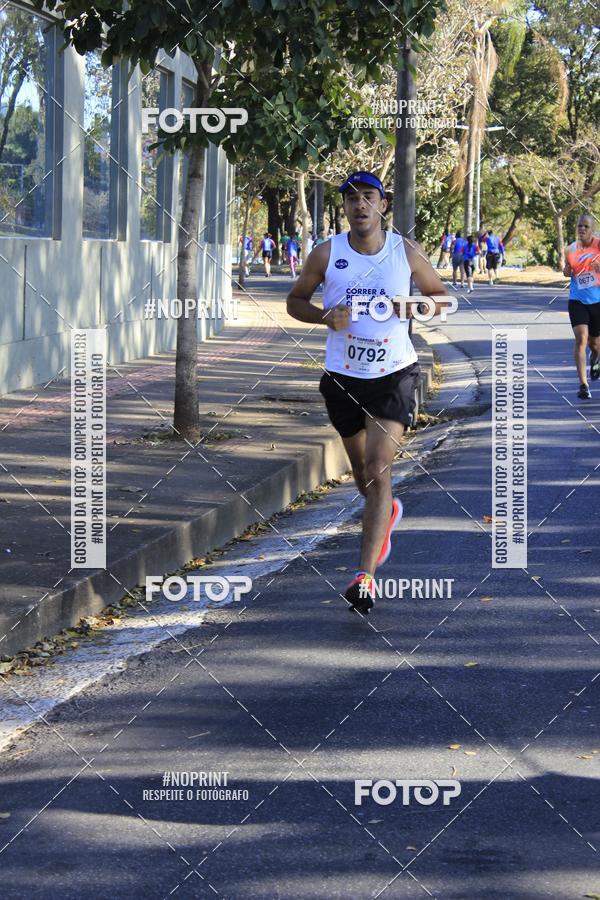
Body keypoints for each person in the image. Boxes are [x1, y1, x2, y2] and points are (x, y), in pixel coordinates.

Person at [286, 170, 450, 614]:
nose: (361, 205)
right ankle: (387, 510)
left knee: (378, 468)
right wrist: (323, 316)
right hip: (342, 376)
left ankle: (365, 578)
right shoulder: (327, 253)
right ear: (345, 207)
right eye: (352, 198)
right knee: (363, 476)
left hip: (394, 373)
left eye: (369, 197)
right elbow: (295, 300)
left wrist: (413, 306)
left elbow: (441, 296)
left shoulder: (405, 251)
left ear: (382, 205)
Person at [563, 213, 600, 399]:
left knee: (595, 344)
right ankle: (583, 385)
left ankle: (595, 358)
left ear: (592, 229)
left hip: (597, 301)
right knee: (581, 338)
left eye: (586, 226)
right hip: (577, 300)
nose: (582, 229)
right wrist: (566, 271)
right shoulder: (570, 249)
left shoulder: (599, 245)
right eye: (580, 226)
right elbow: (566, 270)